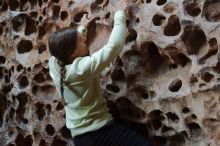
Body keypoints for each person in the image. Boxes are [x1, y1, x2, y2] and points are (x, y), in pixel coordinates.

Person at [48, 0, 153, 146]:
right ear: (72, 54)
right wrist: (119, 15)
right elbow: (114, 46)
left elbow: (63, 45)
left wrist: (82, 29)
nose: (85, 41)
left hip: (80, 137)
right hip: (98, 132)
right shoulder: (81, 69)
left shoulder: (54, 63)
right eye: (82, 41)